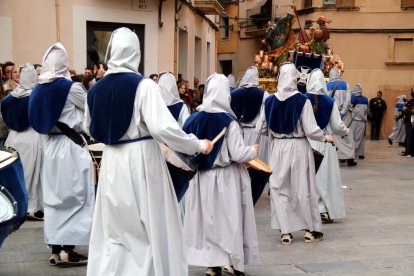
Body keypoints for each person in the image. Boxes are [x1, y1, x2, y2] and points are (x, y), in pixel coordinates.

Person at [84, 27, 213, 276]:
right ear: (136, 53)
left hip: (111, 162)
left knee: (116, 230)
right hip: (141, 160)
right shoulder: (144, 86)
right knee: (148, 226)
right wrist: (198, 145)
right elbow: (164, 128)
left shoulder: (96, 89)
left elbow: (89, 126)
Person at [182, 73, 259, 276]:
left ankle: (211, 264)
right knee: (228, 220)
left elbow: (184, 148)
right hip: (226, 178)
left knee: (208, 220)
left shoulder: (193, 119)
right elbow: (238, 153)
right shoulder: (229, 122)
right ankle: (231, 262)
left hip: (202, 178)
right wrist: (253, 150)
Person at [28, 43, 94, 265]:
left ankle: (55, 249)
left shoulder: (37, 88)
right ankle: (68, 249)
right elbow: (90, 109)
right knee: (75, 196)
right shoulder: (71, 87)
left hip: (50, 145)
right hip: (70, 145)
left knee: (54, 198)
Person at [258, 63, 334, 245]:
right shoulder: (302, 100)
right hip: (299, 147)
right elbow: (311, 129)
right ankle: (310, 229)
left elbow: (260, 127)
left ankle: (285, 232)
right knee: (303, 187)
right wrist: (325, 138)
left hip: (277, 148)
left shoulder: (268, 101)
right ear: (294, 78)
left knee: (279, 188)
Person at [305, 68, 349, 224]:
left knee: (309, 178)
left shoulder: (302, 99)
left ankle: (309, 210)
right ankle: (323, 209)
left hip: (307, 142)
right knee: (325, 178)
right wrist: (346, 130)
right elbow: (337, 125)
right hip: (325, 140)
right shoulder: (330, 102)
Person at [1, 64, 44, 220]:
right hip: (33, 136)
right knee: (35, 172)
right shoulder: (37, 96)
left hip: (14, 138)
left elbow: (5, 118)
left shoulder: (8, 99)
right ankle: (34, 205)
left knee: (19, 172)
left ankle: (17, 204)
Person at [231, 66, 269, 163]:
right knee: (258, 162)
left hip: (239, 132)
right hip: (257, 133)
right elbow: (266, 116)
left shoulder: (234, 94)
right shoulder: (264, 94)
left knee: (242, 162)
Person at [327, 66, 357, 166]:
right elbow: (348, 100)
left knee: (336, 136)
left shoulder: (327, 85)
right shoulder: (346, 84)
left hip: (332, 114)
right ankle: (350, 158)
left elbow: (327, 101)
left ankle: (339, 157)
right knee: (348, 135)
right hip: (345, 114)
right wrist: (343, 112)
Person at [350, 84, 368, 159]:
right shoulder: (365, 99)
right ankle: (360, 153)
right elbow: (367, 111)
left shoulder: (350, 98)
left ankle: (350, 152)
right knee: (360, 138)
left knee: (350, 138)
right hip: (361, 121)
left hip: (352, 121)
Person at [401, 90, 414, 157]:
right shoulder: (409, 102)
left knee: (409, 137)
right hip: (411, 121)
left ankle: (408, 152)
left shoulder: (409, 103)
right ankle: (412, 152)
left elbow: (407, 112)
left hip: (409, 121)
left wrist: (405, 110)